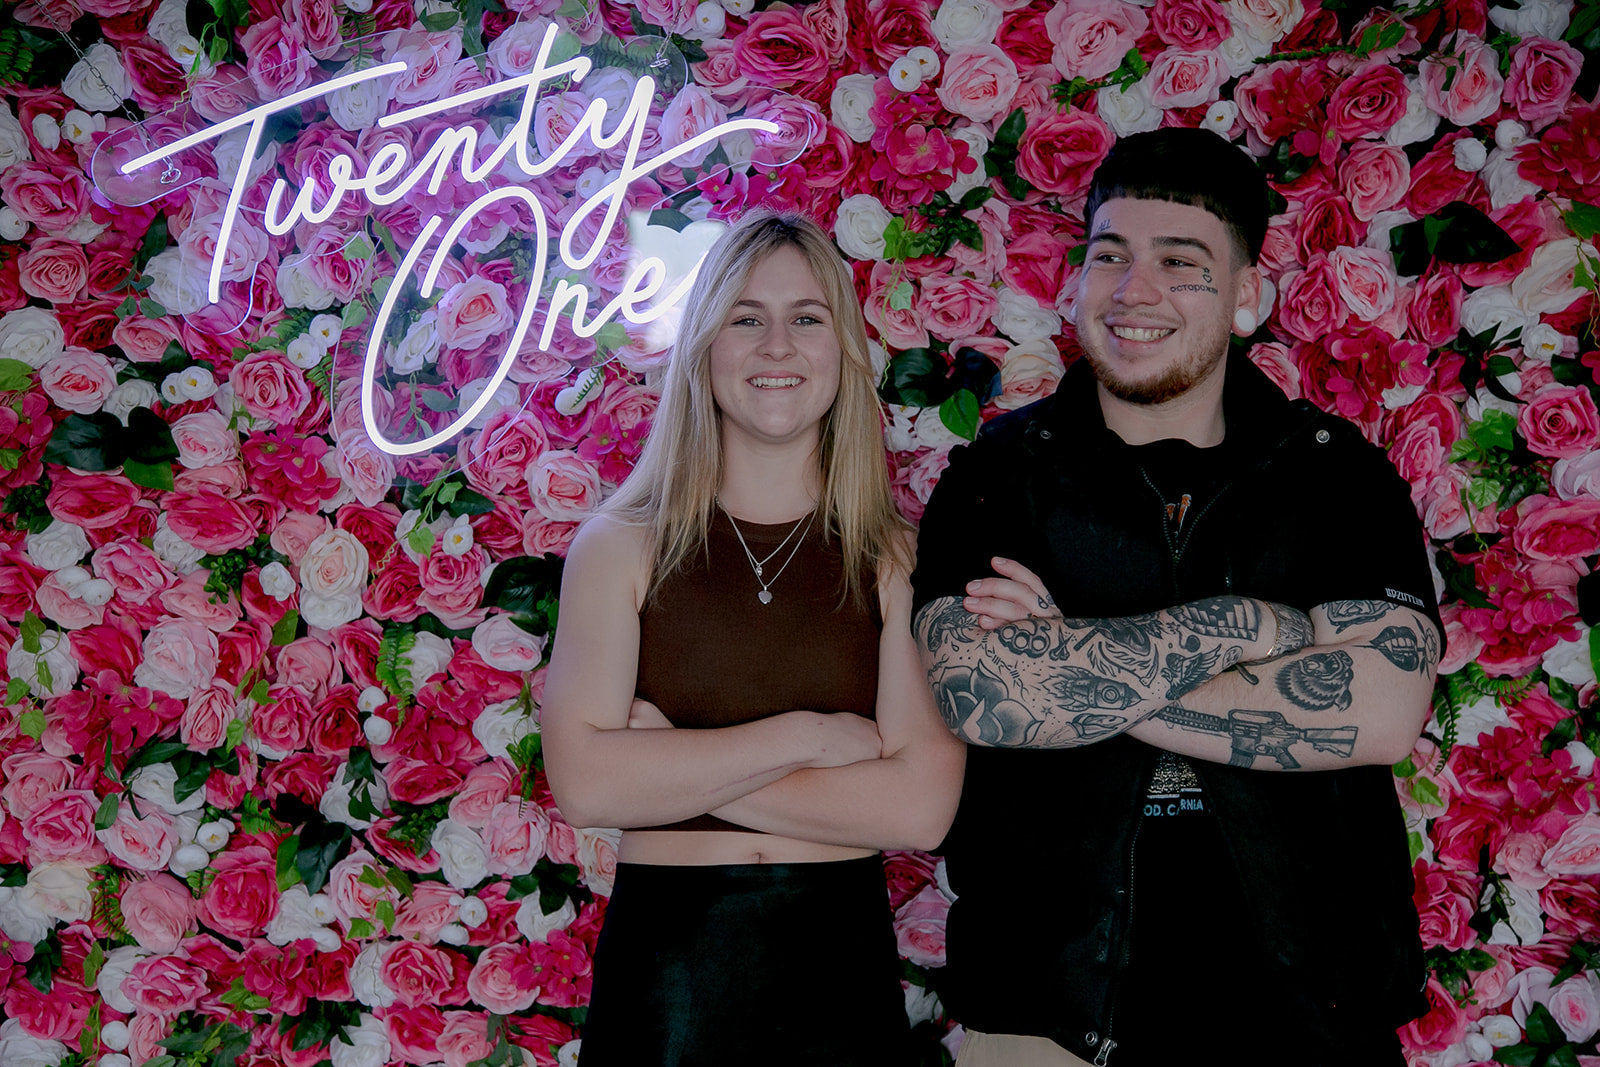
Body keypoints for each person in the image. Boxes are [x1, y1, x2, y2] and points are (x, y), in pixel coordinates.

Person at [911, 127, 1443, 1067]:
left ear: (1246, 299)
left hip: (1311, 1014)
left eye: (1180, 262)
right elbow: (986, 695)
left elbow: (1382, 709)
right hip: (1048, 1021)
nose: (1133, 289)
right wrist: (1251, 629)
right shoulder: (998, 476)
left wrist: (1069, 657)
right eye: (1109, 254)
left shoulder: (1337, 478)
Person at [541, 212, 965, 1066]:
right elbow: (587, 787)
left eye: (807, 318)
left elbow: (919, 808)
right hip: (669, 980)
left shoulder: (893, 555)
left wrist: (676, 766)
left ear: (843, 353)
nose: (777, 345)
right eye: (745, 317)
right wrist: (808, 738)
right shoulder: (623, 544)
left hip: (835, 971)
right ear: (704, 348)